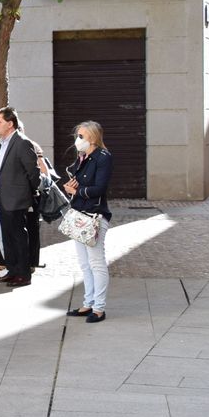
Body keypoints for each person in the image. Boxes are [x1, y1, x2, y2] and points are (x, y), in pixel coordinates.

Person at [0, 106, 40, 289]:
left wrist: (27, 193)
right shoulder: (3, 143)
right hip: (2, 197)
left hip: (17, 199)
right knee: (7, 237)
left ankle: (23, 274)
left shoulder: (22, 143)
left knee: (18, 237)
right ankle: (12, 270)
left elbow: (33, 172)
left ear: (10, 124)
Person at [63, 121, 114, 323]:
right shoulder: (82, 157)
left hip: (95, 216)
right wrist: (72, 186)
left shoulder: (103, 157)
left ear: (92, 138)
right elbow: (79, 183)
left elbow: (99, 188)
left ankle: (99, 308)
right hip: (79, 215)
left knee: (96, 263)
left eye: (81, 136)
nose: (77, 140)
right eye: (77, 135)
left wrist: (77, 191)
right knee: (85, 264)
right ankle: (88, 303)